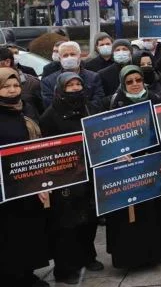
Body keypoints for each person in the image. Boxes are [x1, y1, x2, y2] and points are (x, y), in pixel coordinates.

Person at [104, 65, 161, 269]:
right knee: (129, 215)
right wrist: (115, 154)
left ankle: (157, 252)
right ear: (122, 84)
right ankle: (131, 258)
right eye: (129, 82)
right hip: (127, 166)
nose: (135, 84)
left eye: (138, 80)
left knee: (155, 212)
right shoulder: (114, 104)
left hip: (153, 163)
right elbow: (104, 136)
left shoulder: (155, 99)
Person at [39, 73, 103, 283]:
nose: (75, 89)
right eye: (70, 85)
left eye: (78, 84)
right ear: (60, 89)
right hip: (65, 175)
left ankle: (88, 255)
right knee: (67, 223)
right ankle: (66, 268)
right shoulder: (50, 115)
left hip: (90, 170)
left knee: (89, 218)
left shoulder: (89, 107)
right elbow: (47, 149)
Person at [0, 68, 50, 287]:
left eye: (15, 86)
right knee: (10, 233)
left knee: (31, 231)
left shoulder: (26, 108)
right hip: (6, 188)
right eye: (6, 86)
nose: (12, 91)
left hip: (30, 181)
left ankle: (27, 272)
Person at [41, 41, 104, 110]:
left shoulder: (93, 77)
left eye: (72, 54)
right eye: (65, 55)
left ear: (79, 57)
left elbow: (98, 102)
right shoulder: (48, 82)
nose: (69, 57)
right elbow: (50, 106)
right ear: (60, 59)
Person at [0, 46, 43, 117]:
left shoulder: (31, 83)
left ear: (7, 62)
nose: (12, 90)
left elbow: (41, 112)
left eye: (16, 85)